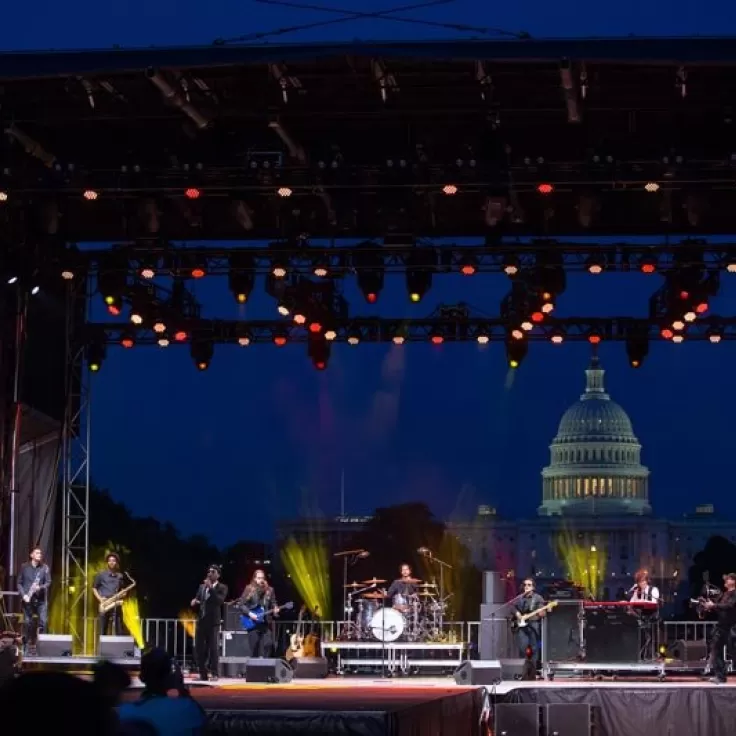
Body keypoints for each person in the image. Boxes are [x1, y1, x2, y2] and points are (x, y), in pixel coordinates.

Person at [118, 647, 207, 735]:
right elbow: (203, 722)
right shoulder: (187, 708)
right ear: (170, 677)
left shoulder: (125, 712)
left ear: (141, 677)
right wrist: (182, 691)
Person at [191, 564, 227, 681]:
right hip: (201, 621)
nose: (209, 573)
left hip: (213, 622)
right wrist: (194, 601)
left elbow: (219, 601)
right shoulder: (202, 587)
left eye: (213, 572)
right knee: (199, 648)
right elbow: (198, 599)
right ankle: (203, 674)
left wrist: (211, 588)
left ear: (218, 575)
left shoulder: (222, 587)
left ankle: (215, 673)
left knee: (213, 648)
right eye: (209, 571)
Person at [702, 572, 736, 684]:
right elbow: (719, 607)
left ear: (734, 581)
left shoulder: (734, 593)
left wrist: (714, 605)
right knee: (716, 650)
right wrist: (709, 606)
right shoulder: (724, 594)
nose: (726, 581)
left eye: (729, 579)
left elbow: (730, 606)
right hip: (721, 626)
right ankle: (720, 676)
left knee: (733, 651)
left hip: (732, 626)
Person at [237, 569, 279, 658]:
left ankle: (266, 667)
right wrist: (250, 614)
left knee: (268, 644)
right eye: (259, 578)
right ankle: (253, 669)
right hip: (252, 623)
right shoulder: (249, 589)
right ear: (255, 579)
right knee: (254, 649)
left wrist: (275, 608)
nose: (261, 580)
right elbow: (241, 605)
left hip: (265, 623)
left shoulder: (270, 590)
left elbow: (273, 602)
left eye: (262, 578)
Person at [17, 546, 51, 651]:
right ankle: (26, 647)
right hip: (28, 600)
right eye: (37, 553)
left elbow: (48, 582)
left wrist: (40, 587)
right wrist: (24, 595)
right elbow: (19, 583)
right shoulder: (24, 567)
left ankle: (42, 647)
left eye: (40, 553)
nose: (39, 555)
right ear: (31, 555)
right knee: (28, 622)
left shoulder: (44, 568)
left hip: (40, 600)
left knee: (43, 622)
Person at [512, 578, 546, 672]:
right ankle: (523, 671)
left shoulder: (538, 598)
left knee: (534, 648)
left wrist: (541, 612)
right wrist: (517, 614)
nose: (526, 586)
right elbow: (513, 607)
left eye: (529, 585)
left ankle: (533, 671)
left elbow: (542, 613)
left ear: (533, 587)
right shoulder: (519, 598)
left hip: (534, 625)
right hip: (522, 626)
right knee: (522, 648)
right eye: (525, 585)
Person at [93, 553, 126, 639]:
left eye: (113, 561)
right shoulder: (101, 575)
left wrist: (123, 593)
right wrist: (100, 599)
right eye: (110, 560)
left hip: (115, 603)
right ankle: (102, 650)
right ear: (107, 562)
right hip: (105, 603)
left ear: (117, 563)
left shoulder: (120, 576)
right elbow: (94, 588)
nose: (111, 562)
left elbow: (122, 589)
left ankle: (118, 649)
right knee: (103, 629)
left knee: (119, 628)